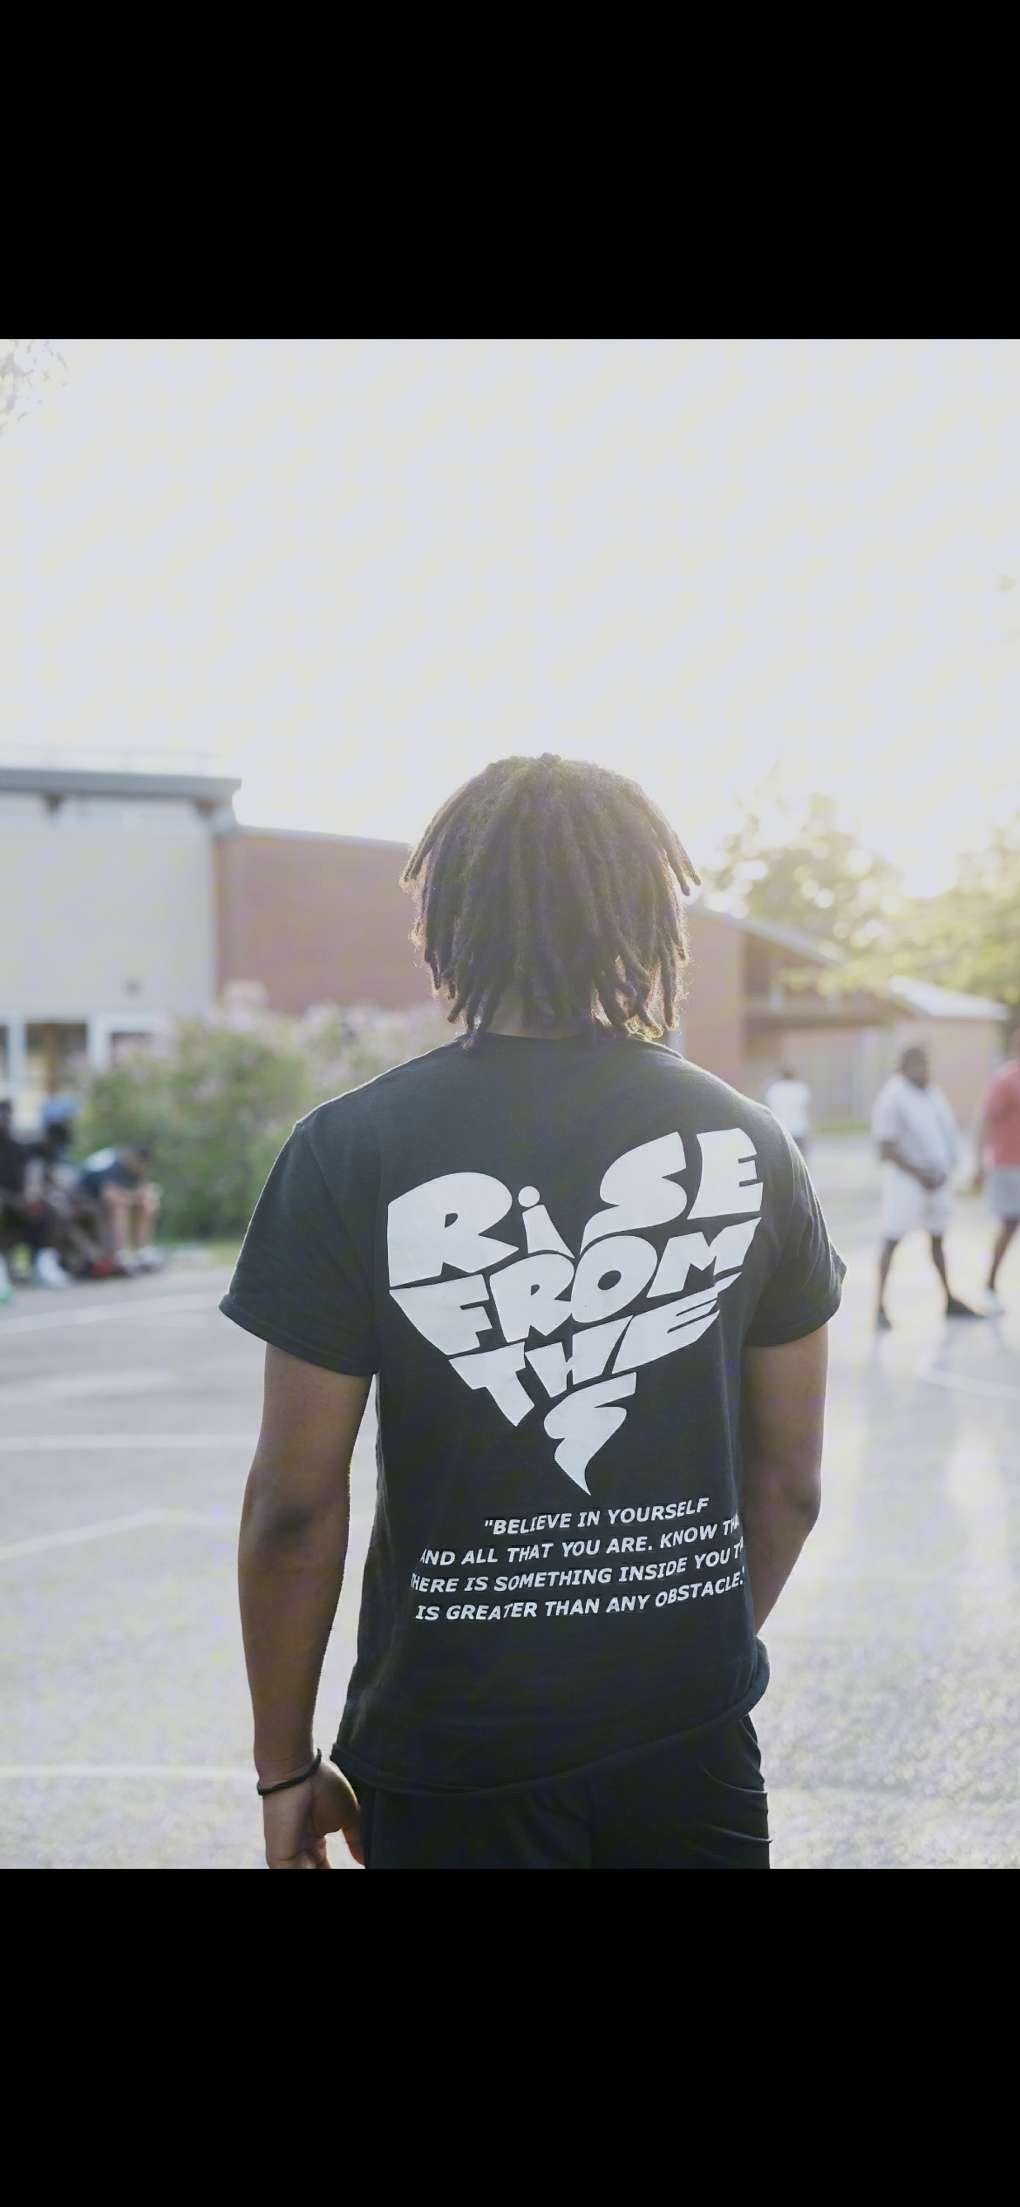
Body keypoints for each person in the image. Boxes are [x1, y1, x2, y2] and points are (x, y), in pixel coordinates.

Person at [223, 756, 846, 1871]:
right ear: (645, 912)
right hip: (691, 1747)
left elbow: (294, 1508)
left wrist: (284, 1768)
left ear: (450, 917)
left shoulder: (350, 1149)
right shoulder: (751, 1145)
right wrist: (666, 1661)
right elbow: (790, 1482)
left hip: (449, 1754)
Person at [871, 1047, 981, 1331]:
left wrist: (946, 1171)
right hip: (907, 1182)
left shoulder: (932, 1093)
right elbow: (885, 1147)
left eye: (926, 1064)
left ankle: (949, 1299)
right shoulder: (893, 1096)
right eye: (918, 1064)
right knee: (892, 1239)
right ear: (903, 1066)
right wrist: (921, 1175)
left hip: (938, 1181)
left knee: (938, 1238)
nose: (924, 1070)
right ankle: (879, 1306)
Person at [0, 1098, 72, 1291]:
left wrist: (31, 1195)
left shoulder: (18, 1148)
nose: (4, 1120)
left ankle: (44, 1262)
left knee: (52, 1207)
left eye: (7, 1116)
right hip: (6, 1202)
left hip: (18, 1202)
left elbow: (30, 1176)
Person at [972, 1023, 1020, 1312]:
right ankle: (989, 1284)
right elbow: (984, 1121)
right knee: (1009, 1223)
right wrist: (978, 1164)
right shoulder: (1005, 1079)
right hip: (1008, 1166)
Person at [77, 1145, 162, 1272]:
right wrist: (134, 1197)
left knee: (148, 1204)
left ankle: (143, 1252)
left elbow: (142, 1190)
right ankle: (121, 1254)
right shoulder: (110, 1164)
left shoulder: (134, 1168)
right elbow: (110, 1196)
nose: (142, 1170)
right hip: (84, 1199)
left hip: (110, 1199)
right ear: (134, 1160)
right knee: (120, 1206)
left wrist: (142, 1196)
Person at [764, 1066, 812, 1156]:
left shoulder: (774, 1089)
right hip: (799, 1129)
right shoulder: (800, 1088)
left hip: (781, 1130)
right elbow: (805, 1109)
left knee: (784, 1158)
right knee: (801, 1158)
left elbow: (769, 1111)